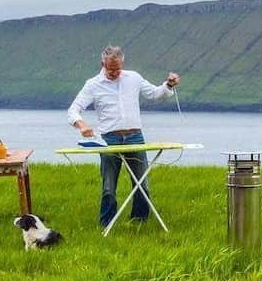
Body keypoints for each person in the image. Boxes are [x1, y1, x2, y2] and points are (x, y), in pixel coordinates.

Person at [67, 45, 181, 227]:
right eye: (110, 69)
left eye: (117, 69)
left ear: (122, 62)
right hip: (109, 140)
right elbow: (73, 110)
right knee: (108, 187)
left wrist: (168, 84)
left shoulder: (133, 78)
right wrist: (82, 125)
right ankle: (107, 223)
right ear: (102, 64)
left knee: (142, 184)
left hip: (135, 137)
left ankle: (139, 221)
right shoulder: (92, 84)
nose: (114, 73)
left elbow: (154, 93)